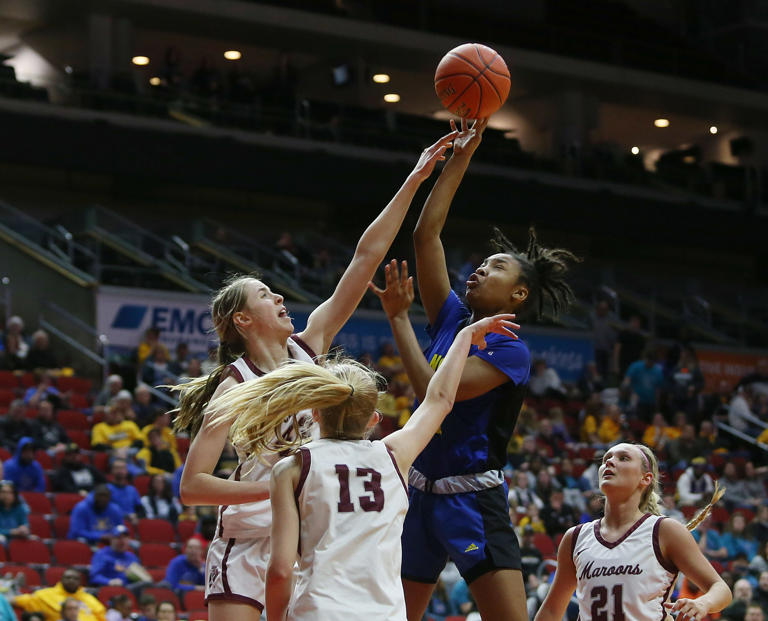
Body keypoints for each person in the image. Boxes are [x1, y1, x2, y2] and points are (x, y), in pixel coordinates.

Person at [171, 129, 459, 621]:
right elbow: (193, 486)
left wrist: (414, 179)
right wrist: (278, 486)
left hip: (305, 542)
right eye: (265, 294)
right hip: (245, 540)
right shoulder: (233, 385)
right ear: (243, 320)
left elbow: (364, 258)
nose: (279, 298)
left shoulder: (310, 346)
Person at [368, 117, 579, 621]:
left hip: (472, 499)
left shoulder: (508, 350)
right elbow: (426, 235)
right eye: (482, 262)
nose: (480, 267)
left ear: (518, 294)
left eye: (497, 267)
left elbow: (431, 394)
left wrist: (399, 318)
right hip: (416, 492)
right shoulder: (454, 320)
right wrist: (463, 153)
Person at [199, 312, 516, 619]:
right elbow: (441, 400)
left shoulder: (293, 467)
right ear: (374, 420)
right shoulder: (394, 455)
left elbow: (281, 570)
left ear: (316, 414)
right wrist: (463, 338)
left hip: (318, 612)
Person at [534, 442, 732, 621]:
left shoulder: (664, 530)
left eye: (623, 458)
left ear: (645, 479)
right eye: (606, 459)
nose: (610, 462)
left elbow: (721, 589)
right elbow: (552, 610)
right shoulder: (575, 537)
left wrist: (702, 603)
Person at [11, 568, 106, 621]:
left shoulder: (90, 599)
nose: (71, 580)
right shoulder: (45, 595)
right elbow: (18, 601)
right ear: (61, 580)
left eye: (75, 578)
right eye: (68, 578)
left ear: (80, 582)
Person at [107, 458, 143, 523]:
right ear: (112, 471)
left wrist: (136, 516)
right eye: (117, 468)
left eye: (123, 468)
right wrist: (126, 516)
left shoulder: (132, 489)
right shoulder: (106, 489)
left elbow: (140, 510)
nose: (120, 471)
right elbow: (105, 510)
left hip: (133, 522)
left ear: (127, 471)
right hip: (113, 523)